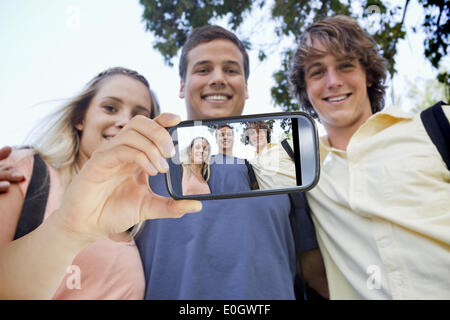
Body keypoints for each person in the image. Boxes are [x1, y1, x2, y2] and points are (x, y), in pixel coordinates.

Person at [135, 25, 328, 299]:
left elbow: (314, 270)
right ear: (181, 85)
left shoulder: (285, 170)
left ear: (246, 87)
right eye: (203, 69)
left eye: (231, 70)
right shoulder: (146, 163)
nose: (218, 78)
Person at [0, 67, 201, 299]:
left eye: (140, 117)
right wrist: (68, 229)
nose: (124, 122)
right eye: (110, 108)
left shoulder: (143, 214)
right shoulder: (24, 171)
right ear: (80, 119)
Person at [288, 15, 450, 299]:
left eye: (346, 66)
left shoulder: (438, 126)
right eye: (316, 72)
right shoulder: (296, 167)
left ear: (369, 74)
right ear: (306, 91)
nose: (333, 81)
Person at [244, 121, 297, 189]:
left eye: (259, 131)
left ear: (266, 133)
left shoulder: (286, 146)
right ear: (249, 139)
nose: (256, 135)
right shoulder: (251, 164)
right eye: (252, 133)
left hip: (300, 195)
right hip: (277, 199)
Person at [210, 124, 259, 192]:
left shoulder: (245, 163)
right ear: (216, 140)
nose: (225, 137)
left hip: (244, 202)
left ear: (233, 139)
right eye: (221, 135)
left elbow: (256, 189)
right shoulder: (208, 162)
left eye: (229, 134)